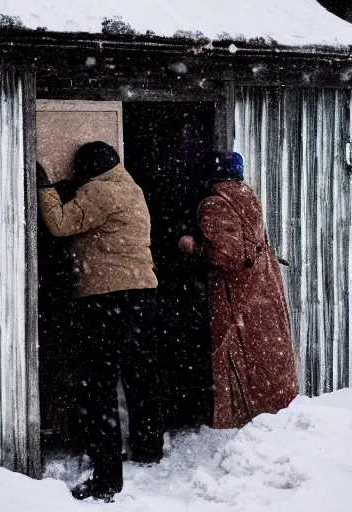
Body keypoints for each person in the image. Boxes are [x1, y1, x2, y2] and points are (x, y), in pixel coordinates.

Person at [37, 141, 163, 502]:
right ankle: (148, 447)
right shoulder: (130, 186)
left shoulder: (99, 190)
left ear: (90, 169)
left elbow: (60, 224)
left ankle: (107, 478)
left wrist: (45, 188)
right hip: (141, 294)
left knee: (99, 384)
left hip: (108, 297)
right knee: (140, 374)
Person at [178, 152, 298, 429]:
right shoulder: (246, 196)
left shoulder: (215, 204)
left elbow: (228, 255)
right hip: (261, 280)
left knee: (233, 346)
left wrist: (192, 245)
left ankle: (240, 415)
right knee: (264, 347)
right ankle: (272, 407)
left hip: (236, 289)